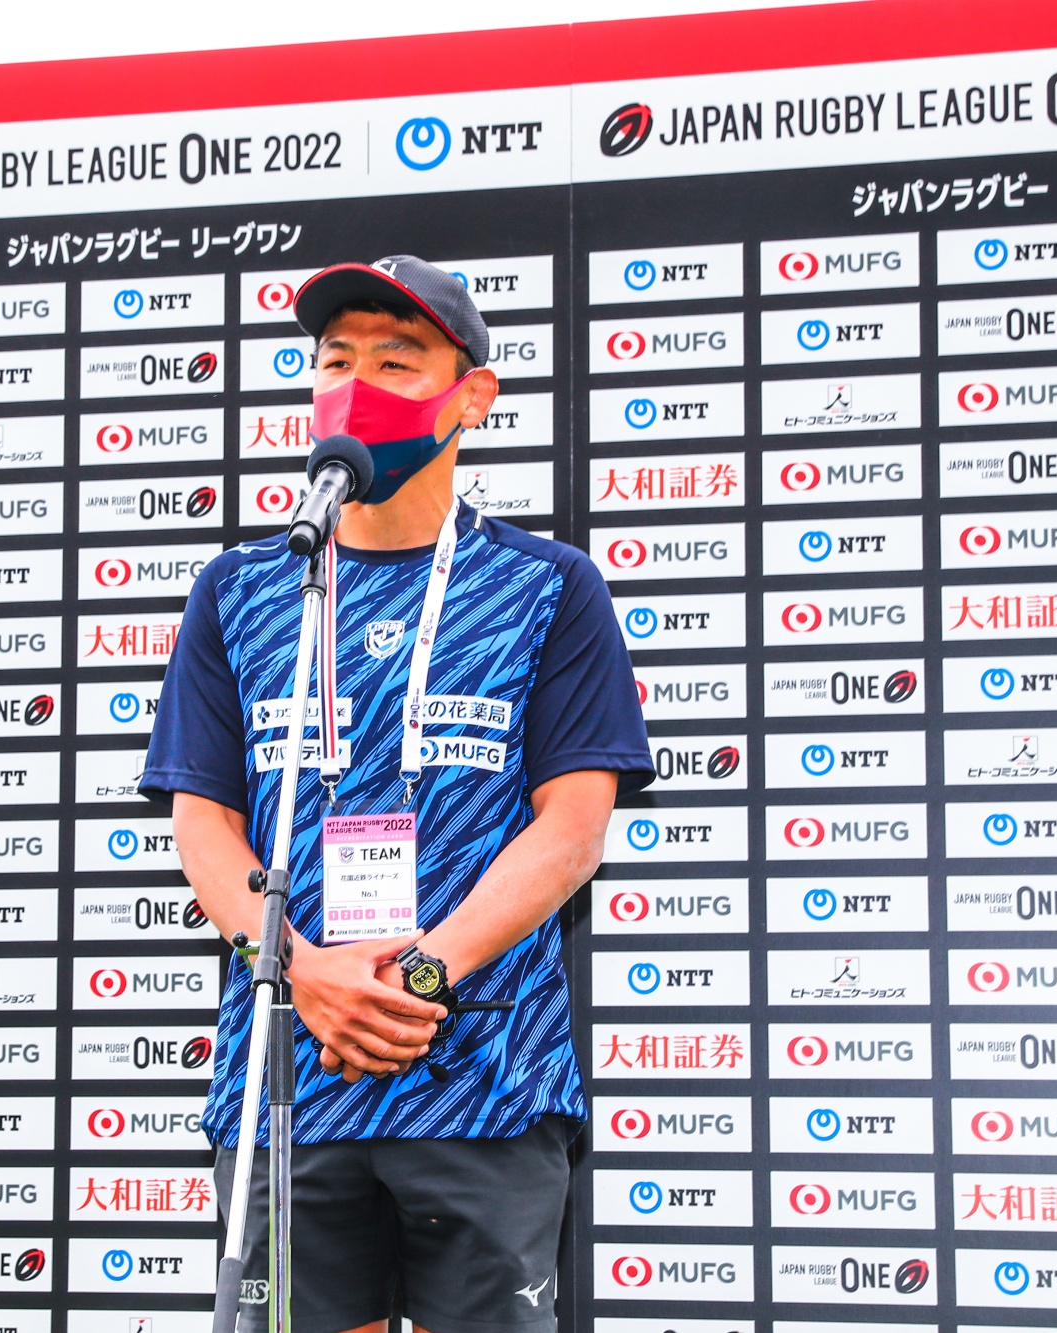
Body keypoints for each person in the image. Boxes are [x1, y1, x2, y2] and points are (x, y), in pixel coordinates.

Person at [142, 255, 652, 1333]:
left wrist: (417, 978)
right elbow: (204, 821)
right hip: (289, 1073)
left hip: (483, 1072)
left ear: (472, 396)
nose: (355, 384)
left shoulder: (548, 585)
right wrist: (305, 974)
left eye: (394, 359)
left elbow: (571, 829)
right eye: (335, 360)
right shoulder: (240, 588)